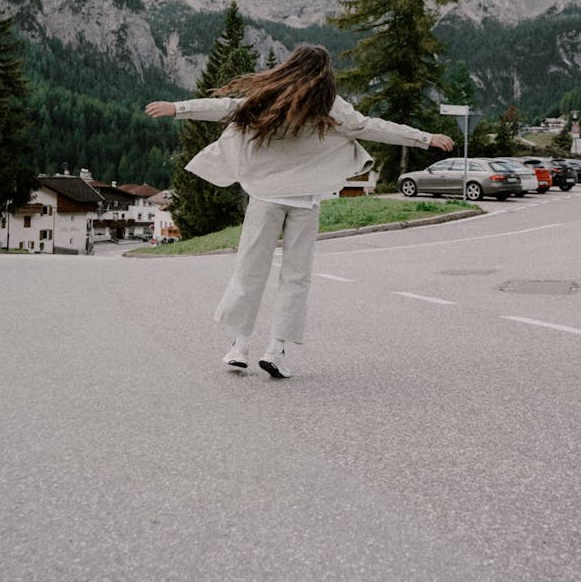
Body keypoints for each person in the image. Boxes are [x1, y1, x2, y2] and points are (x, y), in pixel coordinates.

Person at [145, 44, 453, 379]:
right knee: (296, 277)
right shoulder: (331, 105)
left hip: (264, 198)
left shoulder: (268, 94)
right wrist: (425, 138)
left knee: (250, 270)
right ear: (325, 72)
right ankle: (276, 350)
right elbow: (373, 127)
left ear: (292, 65)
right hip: (304, 202)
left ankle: (240, 346)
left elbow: (226, 108)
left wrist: (178, 108)